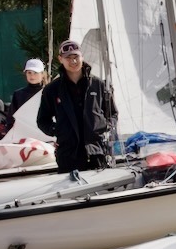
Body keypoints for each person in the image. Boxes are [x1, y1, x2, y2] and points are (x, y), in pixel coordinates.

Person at [36, 39, 118, 173]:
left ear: (82, 56)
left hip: (97, 151)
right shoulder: (52, 89)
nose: (73, 61)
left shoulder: (98, 84)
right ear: (60, 59)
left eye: (76, 57)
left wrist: (105, 127)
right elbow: (42, 120)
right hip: (68, 154)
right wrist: (58, 130)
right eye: (68, 58)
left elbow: (112, 113)